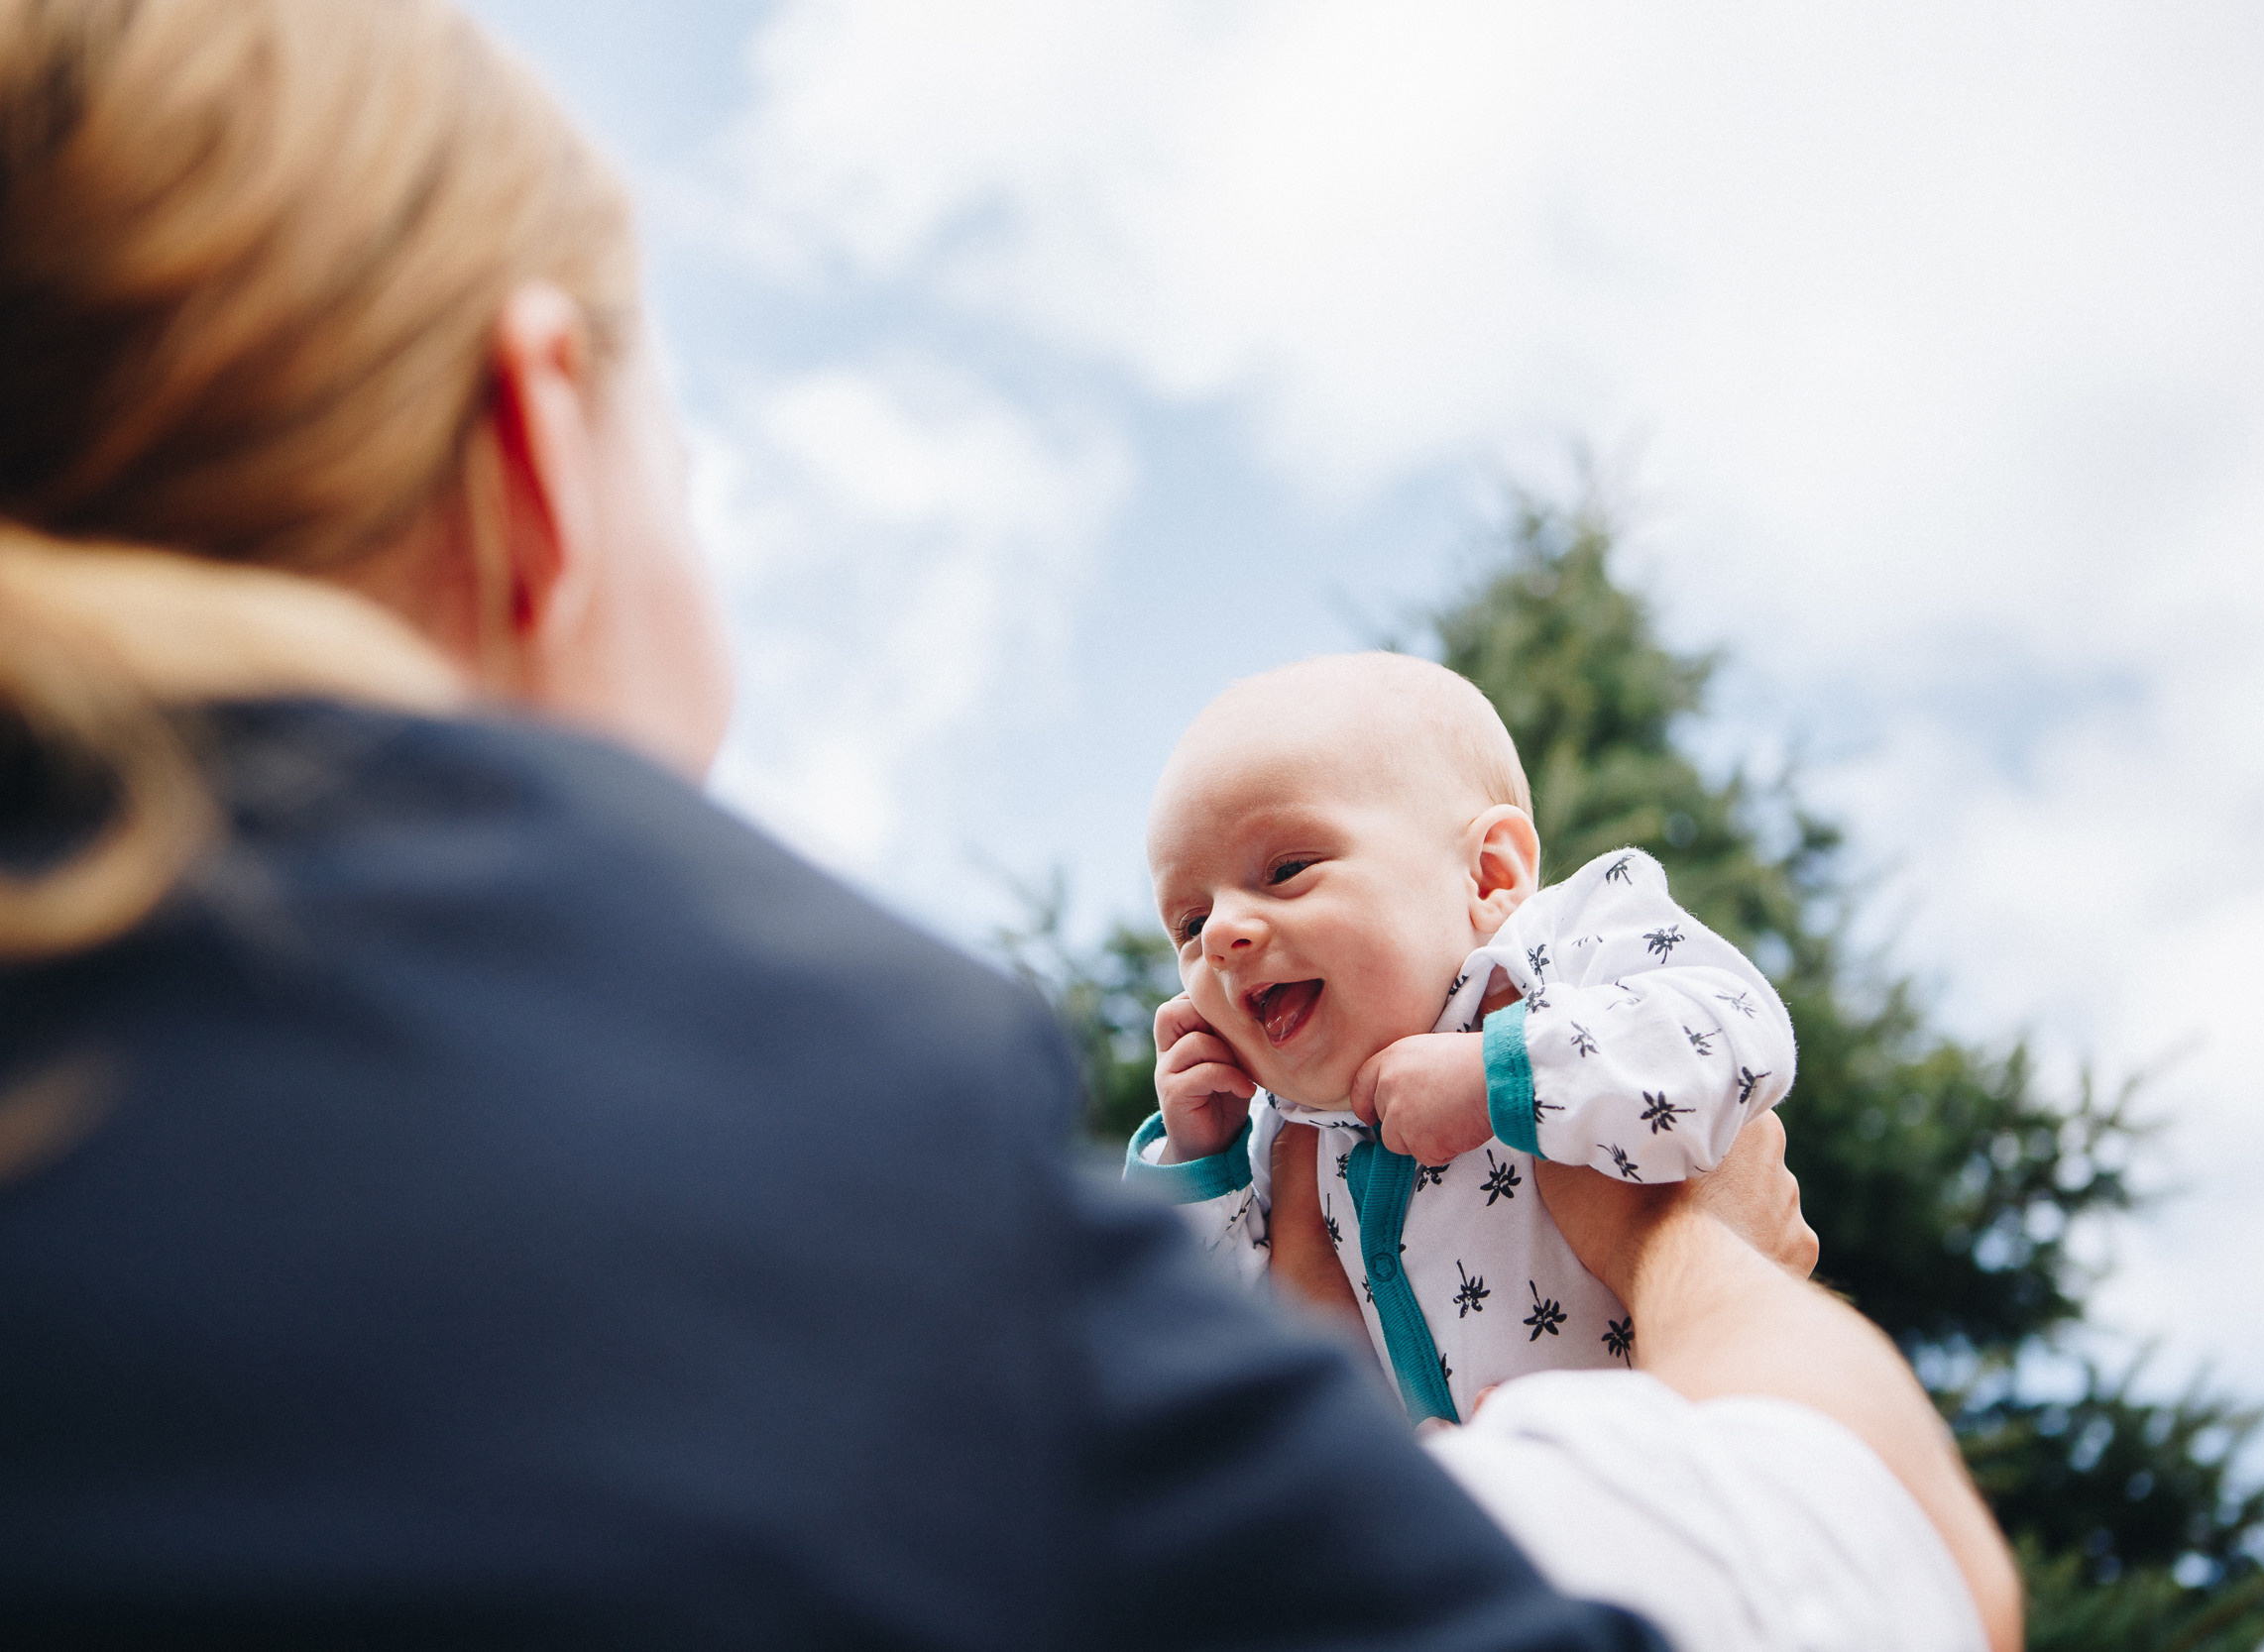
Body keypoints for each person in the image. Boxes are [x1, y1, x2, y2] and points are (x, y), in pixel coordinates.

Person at [0, 2, 2019, 1648]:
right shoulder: (753, 1154)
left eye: (1281, 870)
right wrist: (1704, 1254)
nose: (1220, 935)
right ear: (533, 452)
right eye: (672, 450)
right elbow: (1854, 1571)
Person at [1128, 653, 1796, 1424]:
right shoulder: (1288, 1138)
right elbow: (1202, 1357)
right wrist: (1199, 1169)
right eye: (1189, 921)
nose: (1222, 935)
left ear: (1487, 876)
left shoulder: (1562, 953)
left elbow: (1737, 1035)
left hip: (1685, 1452)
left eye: (1286, 869)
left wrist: (1501, 1074)